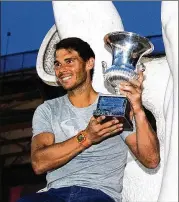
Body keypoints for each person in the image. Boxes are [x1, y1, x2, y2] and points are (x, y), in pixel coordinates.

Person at [17, 37, 160, 202]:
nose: (62, 69)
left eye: (69, 61)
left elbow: (151, 160)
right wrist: (87, 137)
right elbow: (39, 163)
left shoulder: (112, 105)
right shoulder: (48, 109)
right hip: (55, 195)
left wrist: (137, 108)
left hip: (98, 195)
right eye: (57, 64)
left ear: (89, 63)